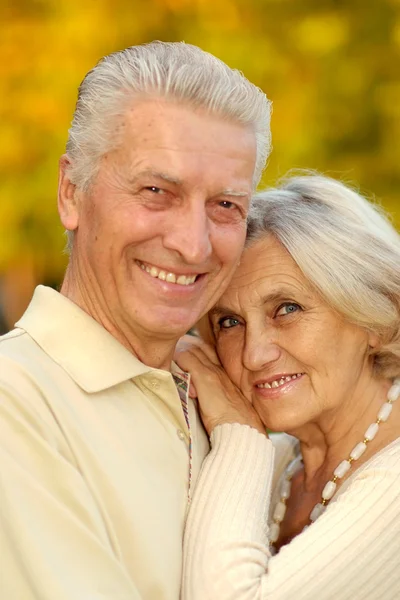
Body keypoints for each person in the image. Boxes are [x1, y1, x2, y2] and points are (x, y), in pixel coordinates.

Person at [0, 41, 271, 600]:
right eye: (156, 192)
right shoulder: (15, 406)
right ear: (71, 193)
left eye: (225, 206)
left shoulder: (238, 400)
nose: (193, 245)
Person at [178, 174, 400, 599]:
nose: (253, 354)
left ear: (375, 315)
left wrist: (236, 430)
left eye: (287, 309)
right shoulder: (281, 463)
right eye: (229, 322)